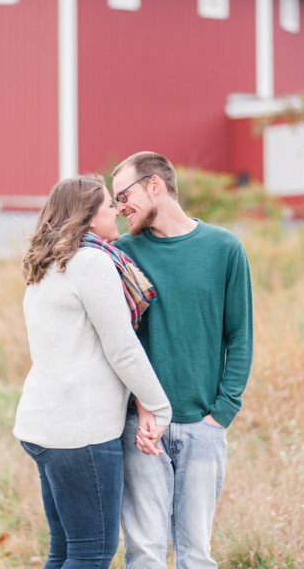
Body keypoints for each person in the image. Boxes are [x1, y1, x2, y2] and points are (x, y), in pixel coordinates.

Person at [13, 174, 172, 569]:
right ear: (87, 217)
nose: (117, 210)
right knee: (92, 554)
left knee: (65, 551)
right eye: (107, 206)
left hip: (43, 428)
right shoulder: (92, 263)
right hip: (78, 432)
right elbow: (122, 348)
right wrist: (159, 406)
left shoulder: (47, 266)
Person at [112, 152, 254, 569]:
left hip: (202, 428)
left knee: (196, 557)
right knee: (144, 555)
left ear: (154, 184)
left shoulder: (224, 248)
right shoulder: (123, 252)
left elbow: (240, 337)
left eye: (125, 195)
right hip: (142, 432)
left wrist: (221, 415)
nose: (120, 208)